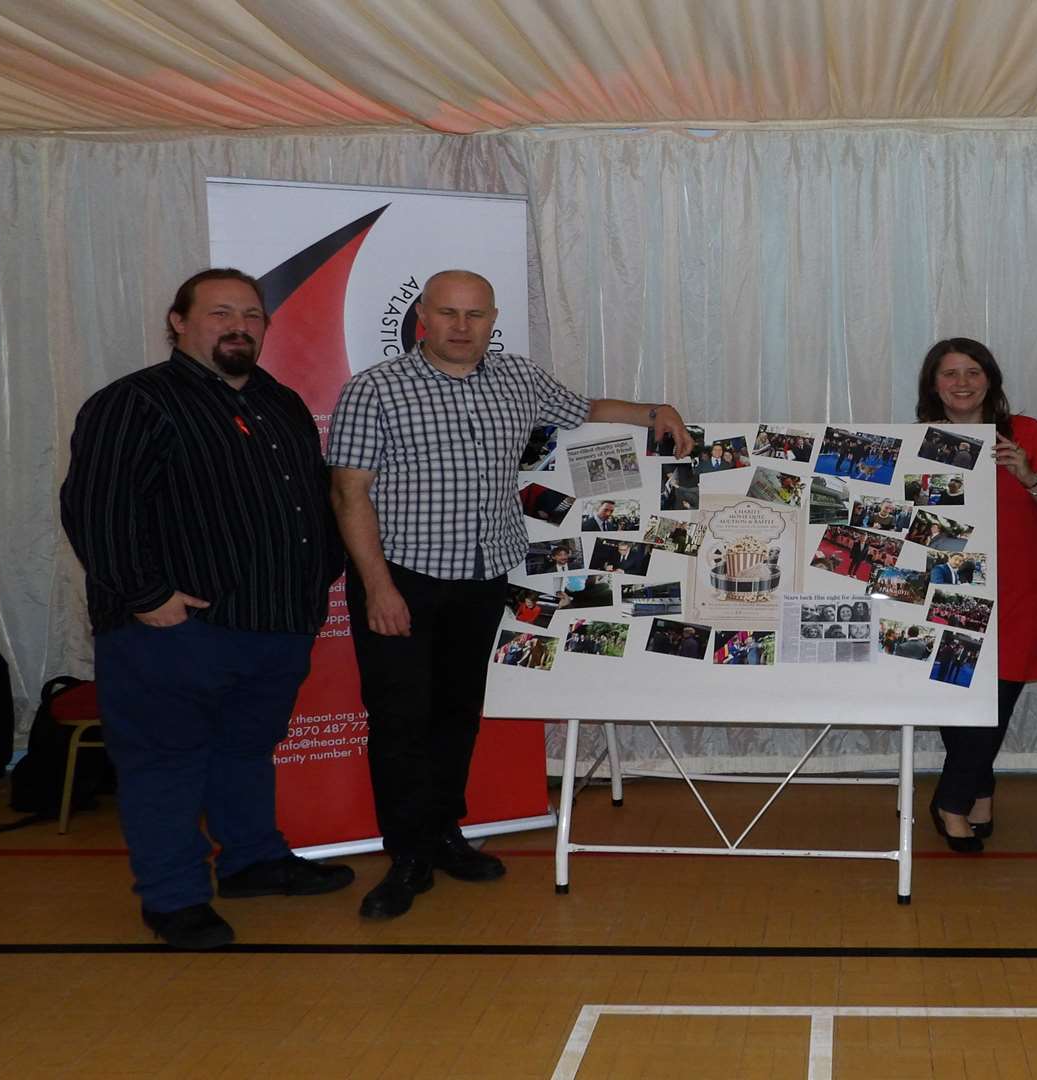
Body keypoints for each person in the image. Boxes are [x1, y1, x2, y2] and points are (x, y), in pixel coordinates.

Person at [328, 269, 693, 920]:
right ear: (423, 319)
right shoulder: (374, 391)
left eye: (474, 315)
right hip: (402, 580)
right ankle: (407, 855)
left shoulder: (518, 380)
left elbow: (585, 410)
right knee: (401, 723)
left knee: (458, 715)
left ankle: (444, 835)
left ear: (492, 320)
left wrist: (652, 412)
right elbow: (349, 493)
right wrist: (377, 587)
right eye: (448, 314)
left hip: (484, 576)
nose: (461, 327)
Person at [60, 268, 354, 950]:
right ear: (178, 321)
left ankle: (252, 861)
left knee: (246, 751)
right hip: (172, 630)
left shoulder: (277, 401)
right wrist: (146, 595)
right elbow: (95, 509)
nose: (240, 325)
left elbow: (309, 503)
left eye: (252, 314)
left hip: (276, 624)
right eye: (221, 312)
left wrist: (316, 579)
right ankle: (174, 899)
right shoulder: (134, 403)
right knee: (165, 765)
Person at [914, 337, 1037, 854]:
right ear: (933, 385)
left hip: (1021, 587)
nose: (963, 383)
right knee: (955, 696)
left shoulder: (1024, 433)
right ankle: (979, 787)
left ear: (990, 378)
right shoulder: (916, 439)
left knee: (998, 697)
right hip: (945, 588)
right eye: (950, 374)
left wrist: (1029, 476)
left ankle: (950, 799)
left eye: (973, 372)